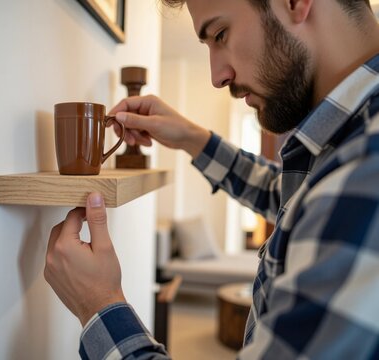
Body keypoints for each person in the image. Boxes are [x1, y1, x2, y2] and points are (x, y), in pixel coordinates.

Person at [44, 0, 379, 358]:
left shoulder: (366, 171)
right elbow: (290, 197)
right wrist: (191, 138)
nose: (217, 77)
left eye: (221, 34)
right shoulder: (348, 144)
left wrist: (98, 304)